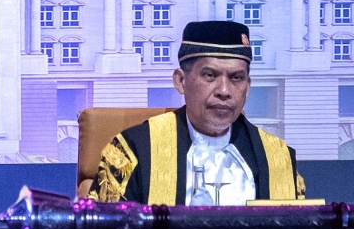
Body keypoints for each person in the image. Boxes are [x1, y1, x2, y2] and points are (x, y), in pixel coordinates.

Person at [89, 20, 305, 205]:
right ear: (181, 81)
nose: (224, 91)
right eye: (210, 75)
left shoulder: (276, 157)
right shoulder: (132, 151)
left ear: (247, 87)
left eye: (236, 78)